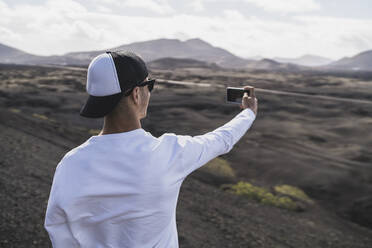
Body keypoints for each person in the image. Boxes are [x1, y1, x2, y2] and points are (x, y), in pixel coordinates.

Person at [44, 51, 258, 247]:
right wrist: (248, 113)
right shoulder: (168, 153)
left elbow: (58, 229)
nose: (150, 93)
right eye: (149, 85)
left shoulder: (71, 163)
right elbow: (221, 140)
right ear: (136, 94)